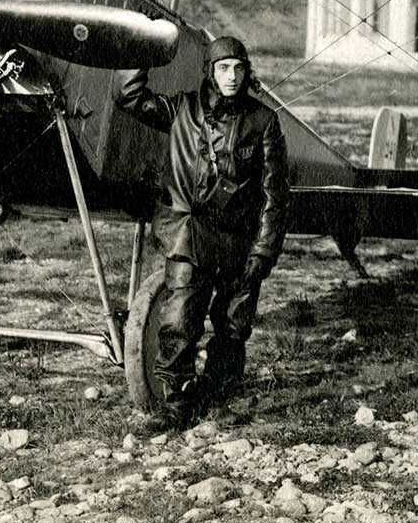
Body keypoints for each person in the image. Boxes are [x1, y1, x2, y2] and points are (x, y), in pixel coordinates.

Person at [116, 35, 289, 429]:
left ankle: (216, 397)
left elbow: (274, 196)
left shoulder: (264, 122)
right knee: (177, 320)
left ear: (248, 72)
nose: (232, 76)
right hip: (188, 236)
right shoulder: (182, 109)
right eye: (223, 68)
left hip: (239, 242)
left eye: (239, 68)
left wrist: (263, 252)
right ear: (210, 72)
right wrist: (143, 48)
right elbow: (129, 97)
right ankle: (175, 401)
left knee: (233, 325)